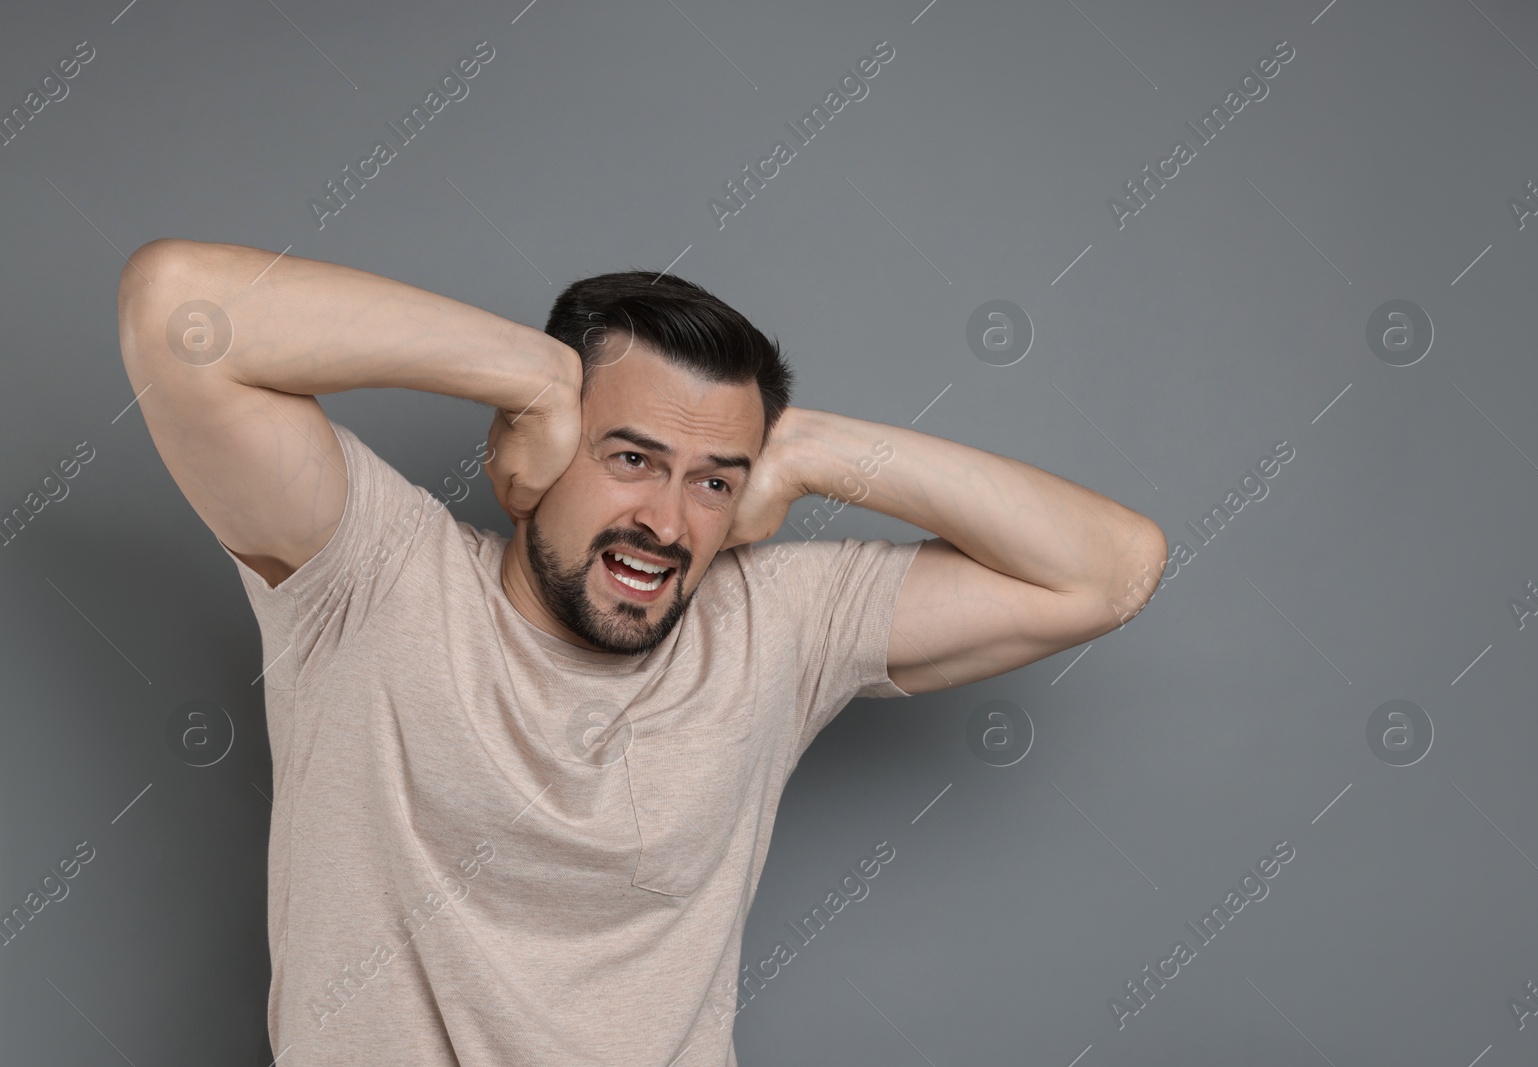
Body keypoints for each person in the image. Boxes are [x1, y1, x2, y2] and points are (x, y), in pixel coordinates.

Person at [115, 239, 1166, 1066]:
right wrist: (528, 374)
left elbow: (1109, 568)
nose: (665, 520)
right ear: (528, 454)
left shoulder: (772, 626)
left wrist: (808, 450)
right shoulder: (370, 577)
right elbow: (176, 307)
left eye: (714, 479)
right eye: (631, 457)